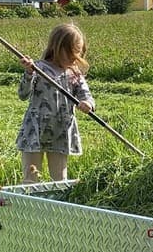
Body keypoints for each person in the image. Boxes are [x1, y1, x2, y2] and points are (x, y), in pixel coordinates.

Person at [16, 23, 94, 182]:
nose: (75, 58)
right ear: (57, 48)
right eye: (71, 53)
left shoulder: (75, 73)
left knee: (59, 180)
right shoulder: (39, 68)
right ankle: (30, 205)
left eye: (78, 53)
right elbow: (23, 94)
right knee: (31, 179)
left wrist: (88, 103)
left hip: (61, 131)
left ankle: (56, 206)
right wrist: (29, 73)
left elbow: (86, 94)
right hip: (36, 129)